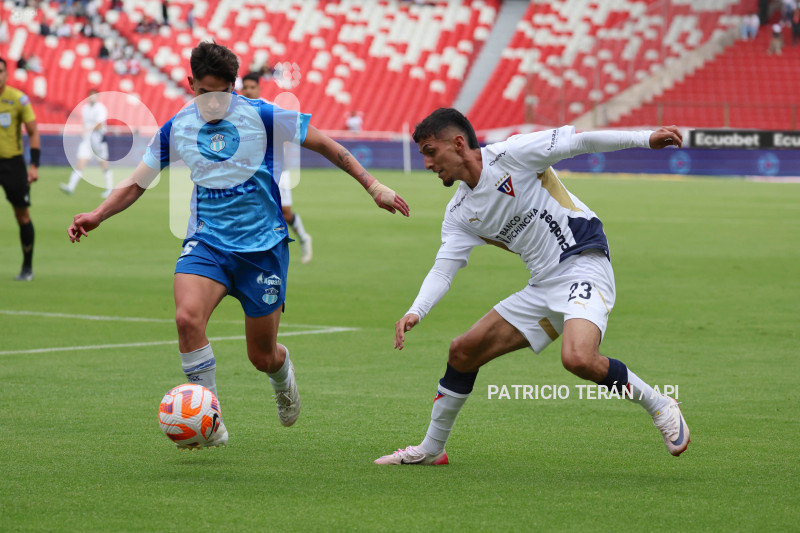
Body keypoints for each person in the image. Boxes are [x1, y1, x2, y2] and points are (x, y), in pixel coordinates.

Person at [68, 42, 408, 448]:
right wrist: (97, 214)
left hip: (262, 251)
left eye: (221, 94)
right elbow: (138, 182)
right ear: (189, 82)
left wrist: (373, 186)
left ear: (234, 86)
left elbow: (328, 146)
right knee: (187, 319)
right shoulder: (177, 127)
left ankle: (282, 377)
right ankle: (210, 420)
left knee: (262, 356)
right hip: (208, 244)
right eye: (202, 93)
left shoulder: (263, 115)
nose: (212, 103)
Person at [374, 108, 689, 466]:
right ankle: (432, 449)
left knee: (578, 358)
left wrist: (645, 138)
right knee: (463, 352)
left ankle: (660, 404)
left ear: (458, 143)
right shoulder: (460, 212)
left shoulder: (513, 154)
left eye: (430, 151)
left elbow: (581, 141)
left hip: (583, 261)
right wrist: (417, 310)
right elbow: (444, 270)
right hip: (543, 284)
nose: (427, 164)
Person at [241, 71, 313, 263]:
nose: (248, 91)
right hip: (251, 172)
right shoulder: (236, 112)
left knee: (286, 212)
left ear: (259, 88)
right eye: (245, 87)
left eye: (252, 87)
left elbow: (287, 137)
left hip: (277, 170)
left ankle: (304, 237)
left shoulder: (270, 109)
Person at [0, 57, 40, 281]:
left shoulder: (18, 100)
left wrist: (34, 165)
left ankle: (27, 267)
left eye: (1, 71)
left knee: (22, 216)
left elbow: (33, 132)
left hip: (12, 164)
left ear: (6, 73)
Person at [61, 89, 114, 197]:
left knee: (104, 165)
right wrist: (83, 132)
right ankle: (70, 187)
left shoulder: (101, 108)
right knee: (80, 164)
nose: (92, 98)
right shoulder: (85, 109)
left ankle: (110, 189)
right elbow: (86, 124)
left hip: (98, 141)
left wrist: (87, 130)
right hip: (86, 141)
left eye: (94, 96)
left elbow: (100, 124)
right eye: (90, 96)